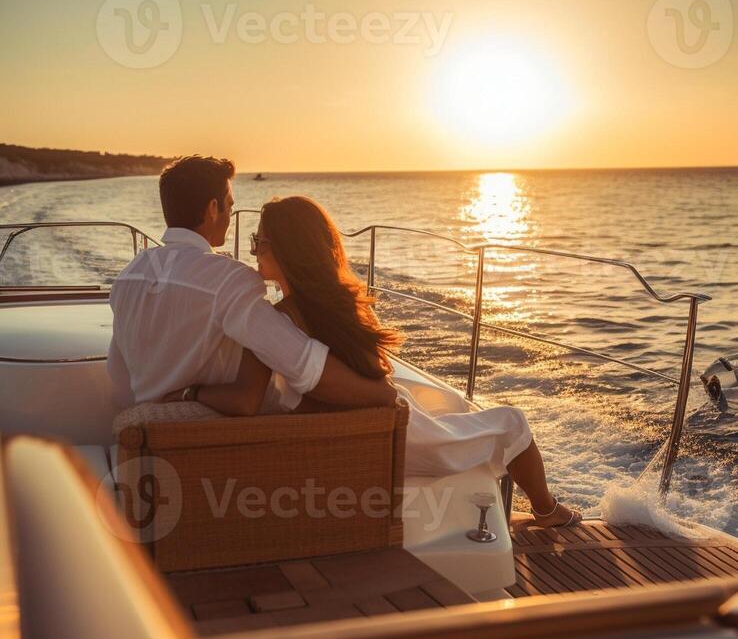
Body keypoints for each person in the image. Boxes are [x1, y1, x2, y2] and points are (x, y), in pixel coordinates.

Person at [179, 194, 582, 528]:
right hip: (394, 430)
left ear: (287, 249)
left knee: (483, 418)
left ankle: (543, 510)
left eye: (259, 242)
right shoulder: (340, 305)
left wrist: (190, 388)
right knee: (512, 422)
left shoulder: (276, 321)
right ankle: (548, 511)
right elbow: (377, 379)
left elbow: (246, 398)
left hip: (385, 429)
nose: (253, 250)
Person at [107, 157, 396, 416]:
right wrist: (382, 394)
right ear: (212, 208)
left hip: (148, 432)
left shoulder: (127, 277)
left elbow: (120, 385)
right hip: (215, 437)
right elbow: (302, 364)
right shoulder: (228, 280)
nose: (231, 217)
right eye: (230, 206)